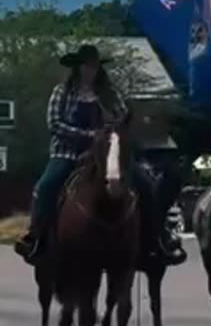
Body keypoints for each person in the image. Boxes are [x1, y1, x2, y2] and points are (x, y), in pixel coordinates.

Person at [14, 45, 128, 262]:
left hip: (105, 154)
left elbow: (122, 117)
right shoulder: (62, 91)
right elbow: (54, 123)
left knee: (142, 181)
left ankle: (156, 238)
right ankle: (35, 236)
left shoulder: (109, 94)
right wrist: (87, 135)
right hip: (67, 153)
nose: (90, 70)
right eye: (86, 66)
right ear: (77, 67)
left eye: (94, 66)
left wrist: (109, 133)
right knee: (46, 186)